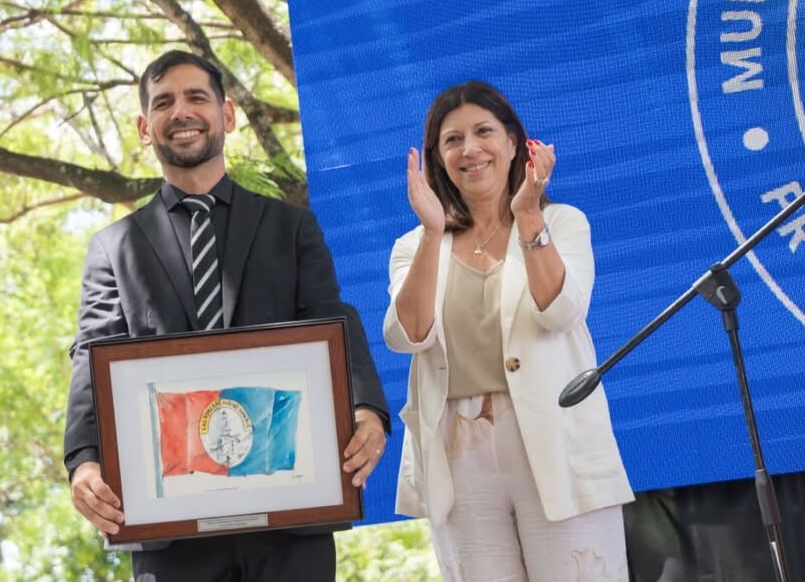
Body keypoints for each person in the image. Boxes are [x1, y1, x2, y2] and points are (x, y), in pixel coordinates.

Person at [64, 50, 389, 582]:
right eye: (164, 102)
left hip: (290, 515)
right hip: (167, 522)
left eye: (197, 97)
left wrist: (367, 409)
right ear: (146, 128)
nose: (181, 111)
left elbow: (333, 318)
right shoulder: (112, 248)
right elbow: (91, 357)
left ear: (228, 115)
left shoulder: (292, 227)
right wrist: (84, 460)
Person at [383, 80, 634, 581]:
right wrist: (434, 232)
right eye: (452, 140)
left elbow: (559, 312)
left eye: (483, 132)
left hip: (554, 440)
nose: (470, 150)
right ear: (437, 157)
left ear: (514, 142)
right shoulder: (414, 244)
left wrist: (527, 216)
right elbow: (407, 334)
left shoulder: (561, 223)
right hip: (458, 450)